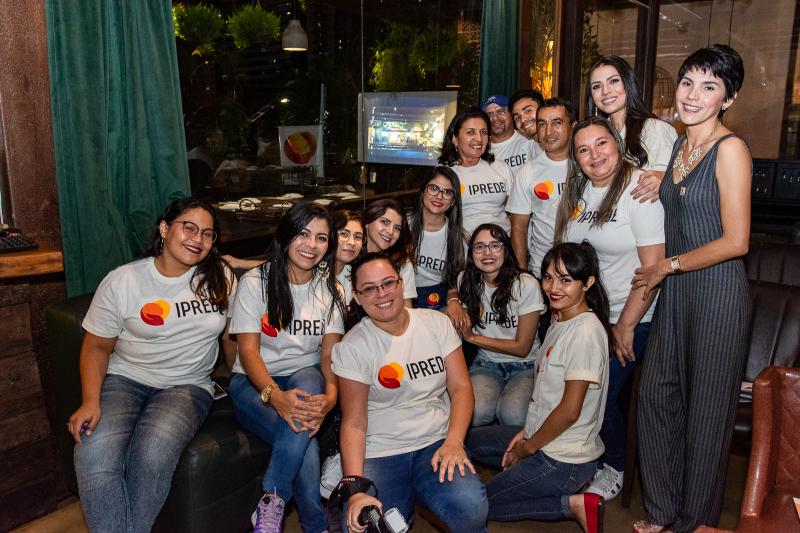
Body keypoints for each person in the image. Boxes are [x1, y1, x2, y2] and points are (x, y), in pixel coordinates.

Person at [631, 44, 751, 533]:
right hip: (679, 291)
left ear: (728, 98)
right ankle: (663, 511)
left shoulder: (732, 149)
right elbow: (681, 192)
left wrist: (666, 266)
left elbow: (737, 241)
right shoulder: (681, 145)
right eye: (687, 83)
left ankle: (693, 522)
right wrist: (659, 176)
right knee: (657, 398)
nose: (693, 95)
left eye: (709, 87)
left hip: (718, 294)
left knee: (707, 415)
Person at [69, 198, 237, 533]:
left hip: (188, 385)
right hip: (125, 378)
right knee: (92, 454)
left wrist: (246, 384)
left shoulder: (220, 277)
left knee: (152, 453)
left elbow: (232, 340)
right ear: (164, 228)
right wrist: (90, 401)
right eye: (189, 227)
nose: (198, 239)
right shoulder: (123, 281)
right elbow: (96, 348)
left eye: (207, 233)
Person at [332, 253, 488, 532]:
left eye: (388, 283)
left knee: (471, 508)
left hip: (436, 441)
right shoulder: (353, 346)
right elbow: (354, 422)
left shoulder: (436, 323)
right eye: (369, 288)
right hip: (381, 450)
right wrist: (355, 489)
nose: (382, 293)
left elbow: (461, 388)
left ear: (401, 284)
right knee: (363, 526)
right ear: (357, 297)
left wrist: (454, 442)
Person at [554, 117, 665, 501]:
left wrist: (625, 325)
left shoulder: (638, 190)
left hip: (632, 316)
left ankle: (614, 466)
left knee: (595, 395)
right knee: (569, 391)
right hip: (589, 319)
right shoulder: (580, 192)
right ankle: (582, 458)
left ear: (618, 144)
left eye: (601, 143)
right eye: (583, 149)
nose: (594, 155)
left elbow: (653, 269)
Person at [466, 241, 610, 533]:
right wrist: (526, 431)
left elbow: (569, 411)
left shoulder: (585, 333)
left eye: (565, 280)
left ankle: (573, 504)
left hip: (563, 459)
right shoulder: (561, 318)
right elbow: (547, 395)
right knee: (466, 441)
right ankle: (520, 480)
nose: (553, 287)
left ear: (587, 283)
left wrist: (527, 448)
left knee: (475, 508)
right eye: (548, 277)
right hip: (543, 436)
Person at [228, 202, 346, 533]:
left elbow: (329, 354)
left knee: (308, 383)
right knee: (303, 438)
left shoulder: (332, 289)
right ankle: (313, 524)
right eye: (303, 234)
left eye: (321, 238)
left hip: (305, 378)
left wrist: (332, 397)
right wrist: (276, 396)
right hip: (253, 382)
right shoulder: (256, 281)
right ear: (286, 236)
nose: (312, 245)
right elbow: (247, 351)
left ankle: (271, 503)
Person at [457, 224, 544, 426]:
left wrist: (472, 337)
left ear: (506, 250)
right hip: (486, 363)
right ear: (471, 253)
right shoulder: (467, 280)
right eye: (480, 247)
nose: (487, 252)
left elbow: (522, 348)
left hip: (526, 365)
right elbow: (454, 288)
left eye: (495, 245)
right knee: (474, 412)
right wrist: (453, 301)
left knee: (513, 415)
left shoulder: (525, 284)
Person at [586, 55, 678, 202]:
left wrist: (663, 178)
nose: (605, 91)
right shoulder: (592, 137)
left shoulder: (655, 129)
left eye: (614, 81)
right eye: (596, 86)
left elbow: (672, 183)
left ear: (628, 83)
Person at [507, 97, 575, 275]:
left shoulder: (589, 165)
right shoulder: (527, 172)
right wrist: (522, 274)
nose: (548, 131)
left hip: (585, 268)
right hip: (543, 269)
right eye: (542, 124)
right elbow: (518, 228)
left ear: (573, 125)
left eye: (557, 122)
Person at [439, 107, 514, 236]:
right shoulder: (444, 173)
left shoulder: (500, 167)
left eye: (483, 132)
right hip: (462, 245)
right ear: (455, 139)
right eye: (470, 132)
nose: (479, 138)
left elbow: (515, 212)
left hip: (502, 243)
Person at [408, 166, 467, 312]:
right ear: (423, 190)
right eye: (434, 188)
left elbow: (456, 281)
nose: (439, 196)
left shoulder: (459, 237)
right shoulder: (402, 226)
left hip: (437, 300)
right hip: (400, 296)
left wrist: (453, 300)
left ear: (453, 200)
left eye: (447, 192)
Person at [362, 199, 417, 306]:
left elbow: (407, 308)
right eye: (384, 222)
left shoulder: (402, 262)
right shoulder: (350, 255)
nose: (390, 231)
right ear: (367, 223)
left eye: (397, 228)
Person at [484, 94, 542, 176]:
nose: (495, 118)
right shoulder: (481, 147)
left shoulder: (530, 138)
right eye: (489, 114)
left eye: (500, 111)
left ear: (512, 115)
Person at [332, 209, 366, 305]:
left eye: (358, 237)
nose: (352, 242)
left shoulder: (357, 275)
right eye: (344, 234)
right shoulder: (310, 274)